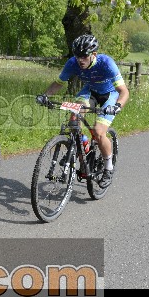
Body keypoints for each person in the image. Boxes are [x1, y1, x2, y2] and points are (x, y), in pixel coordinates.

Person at [36, 34, 129, 188]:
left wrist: (117, 106)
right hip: (90, 91)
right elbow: (59, 83)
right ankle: (79, 147)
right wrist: (45, 96)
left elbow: (124, 91)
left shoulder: (106, 63)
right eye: (77, 56)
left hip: (110, 95)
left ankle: (108, 168)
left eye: (84, 56)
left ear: (94, 54)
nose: (80, 60)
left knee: (99, 132)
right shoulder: (72, 63)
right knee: (73, 120)